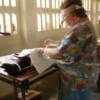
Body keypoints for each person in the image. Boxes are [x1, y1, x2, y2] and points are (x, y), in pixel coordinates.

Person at [42, 0, 98, 100]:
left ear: (72, 14)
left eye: (64, 18)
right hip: (87, 75)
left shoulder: (79, 29)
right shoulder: (86, 24)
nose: (65, 22)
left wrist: (45, 50)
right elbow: (73, 44)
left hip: (78, 80)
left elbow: (59, 53)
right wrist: (53, 43)